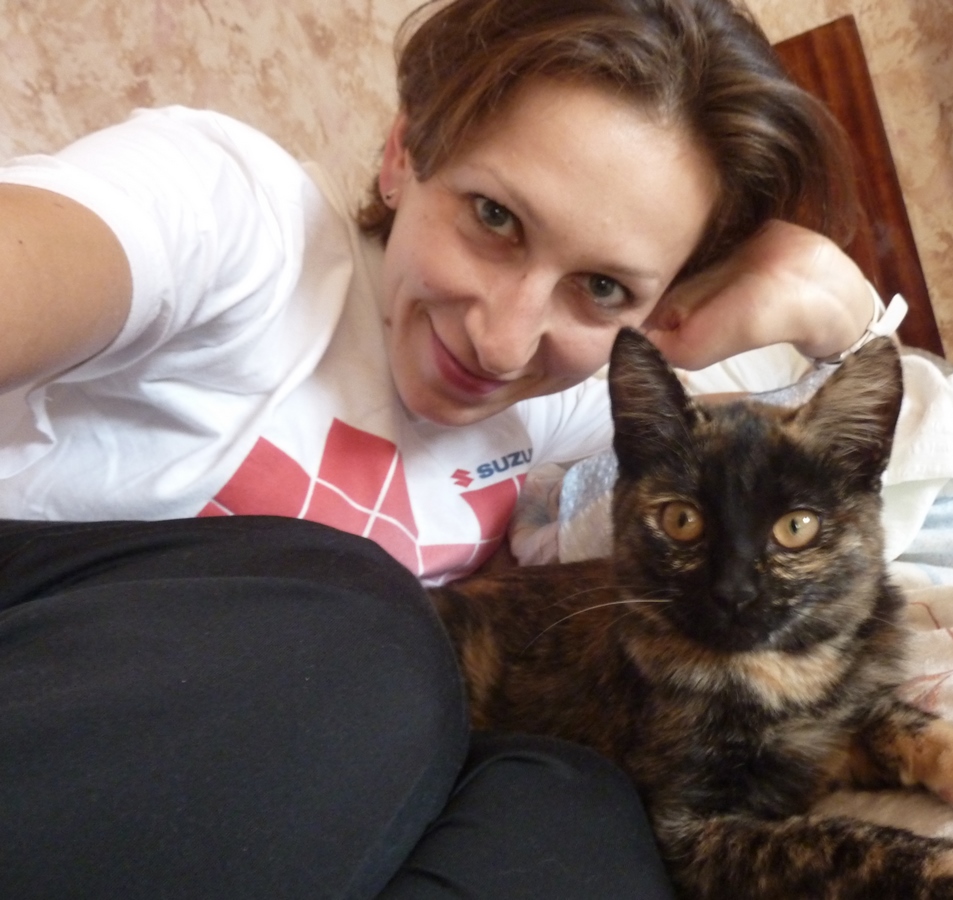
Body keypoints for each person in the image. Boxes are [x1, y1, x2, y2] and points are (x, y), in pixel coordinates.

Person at [0, 0, 885, 896]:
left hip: (277, 782)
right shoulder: (238, 222)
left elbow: (807, 471)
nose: (503, 343)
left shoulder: (561, 396)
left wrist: (842, 314)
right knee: (371, 627)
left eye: (602, 285)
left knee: (581, 803)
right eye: (494, 217)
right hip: (61, 677)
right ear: (403, 153)